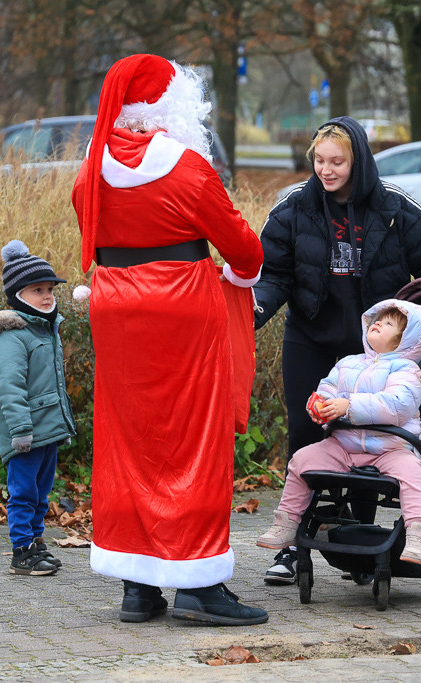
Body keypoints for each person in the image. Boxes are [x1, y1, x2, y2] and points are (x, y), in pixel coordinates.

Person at [71, 53, 267, 626]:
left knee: (130, 441)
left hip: (115, 306)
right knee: (194, 443)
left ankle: (139, 586)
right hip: (183, 306)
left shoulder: (91, 168)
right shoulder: (185, 166)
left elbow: (90, 229)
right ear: (170, 107)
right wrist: (241, 276)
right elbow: (244, 250)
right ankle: (199, 584)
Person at [253, 116, 421, 585]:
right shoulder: (294, 207)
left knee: (368, 431)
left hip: (375, 347)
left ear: (359, 160)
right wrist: (255, 309)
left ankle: (359, 536)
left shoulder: (395, 209)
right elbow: (273, 273)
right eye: (319, 161)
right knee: (308, 432)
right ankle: (295, 543)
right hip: (310, 337)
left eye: (337, 162)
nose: (326, 171)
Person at [256, 300, 421, 565]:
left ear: (404, 340)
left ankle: (417, 534)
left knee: (413, 473)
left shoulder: (407, 370)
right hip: (344, 444)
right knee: (301, 461)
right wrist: (319, 405)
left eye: (388, 324)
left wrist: (349, 406)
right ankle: (287, 523)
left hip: (390, 447)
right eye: (377, 320)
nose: (378, 324)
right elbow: (327, 388)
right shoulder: (348, 363)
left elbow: (398, 405)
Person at [0, 240, 76, 577]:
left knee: (41, 490)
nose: (47, 296)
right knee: (23, 491)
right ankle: (21, 549)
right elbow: (8, 388)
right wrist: (20, 431)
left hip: (46, 428)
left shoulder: (45, 328)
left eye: (50, 289)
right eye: (37, 290)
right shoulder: (11, 337)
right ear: (17, 294)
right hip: (26, 432)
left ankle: (36, 540)